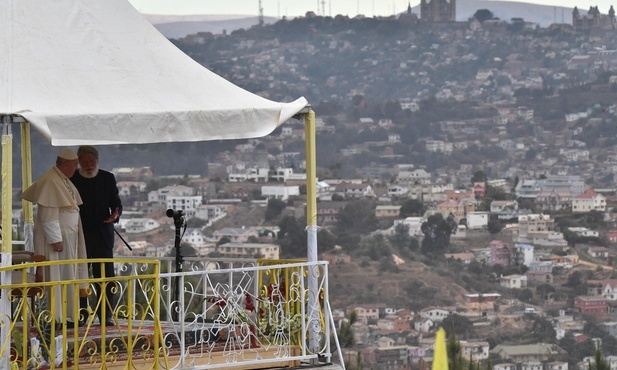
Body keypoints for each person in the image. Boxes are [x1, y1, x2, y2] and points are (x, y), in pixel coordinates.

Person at [21, 149, 88, 326]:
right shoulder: (51, 181)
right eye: (74, 165)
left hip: (68, 236)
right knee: (58, 276)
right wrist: (55, 240)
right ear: (66, 164)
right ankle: (56, 317)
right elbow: (48, 216)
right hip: (58, 240)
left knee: (67, 275)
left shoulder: (61, 179)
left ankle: (67, 315)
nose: (76, 169)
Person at [71, 145, 122, 326]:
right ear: (79, 162)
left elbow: (116, 203)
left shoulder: (107, 178)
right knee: (81, 276)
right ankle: (81, 314)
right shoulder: (72, 178)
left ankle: (106, 315)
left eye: (91, 162)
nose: (88, 165)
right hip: (80, 235)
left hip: (102, 235)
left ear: (97, 161)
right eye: (84, 162)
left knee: (106, 277)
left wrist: (116, 213)